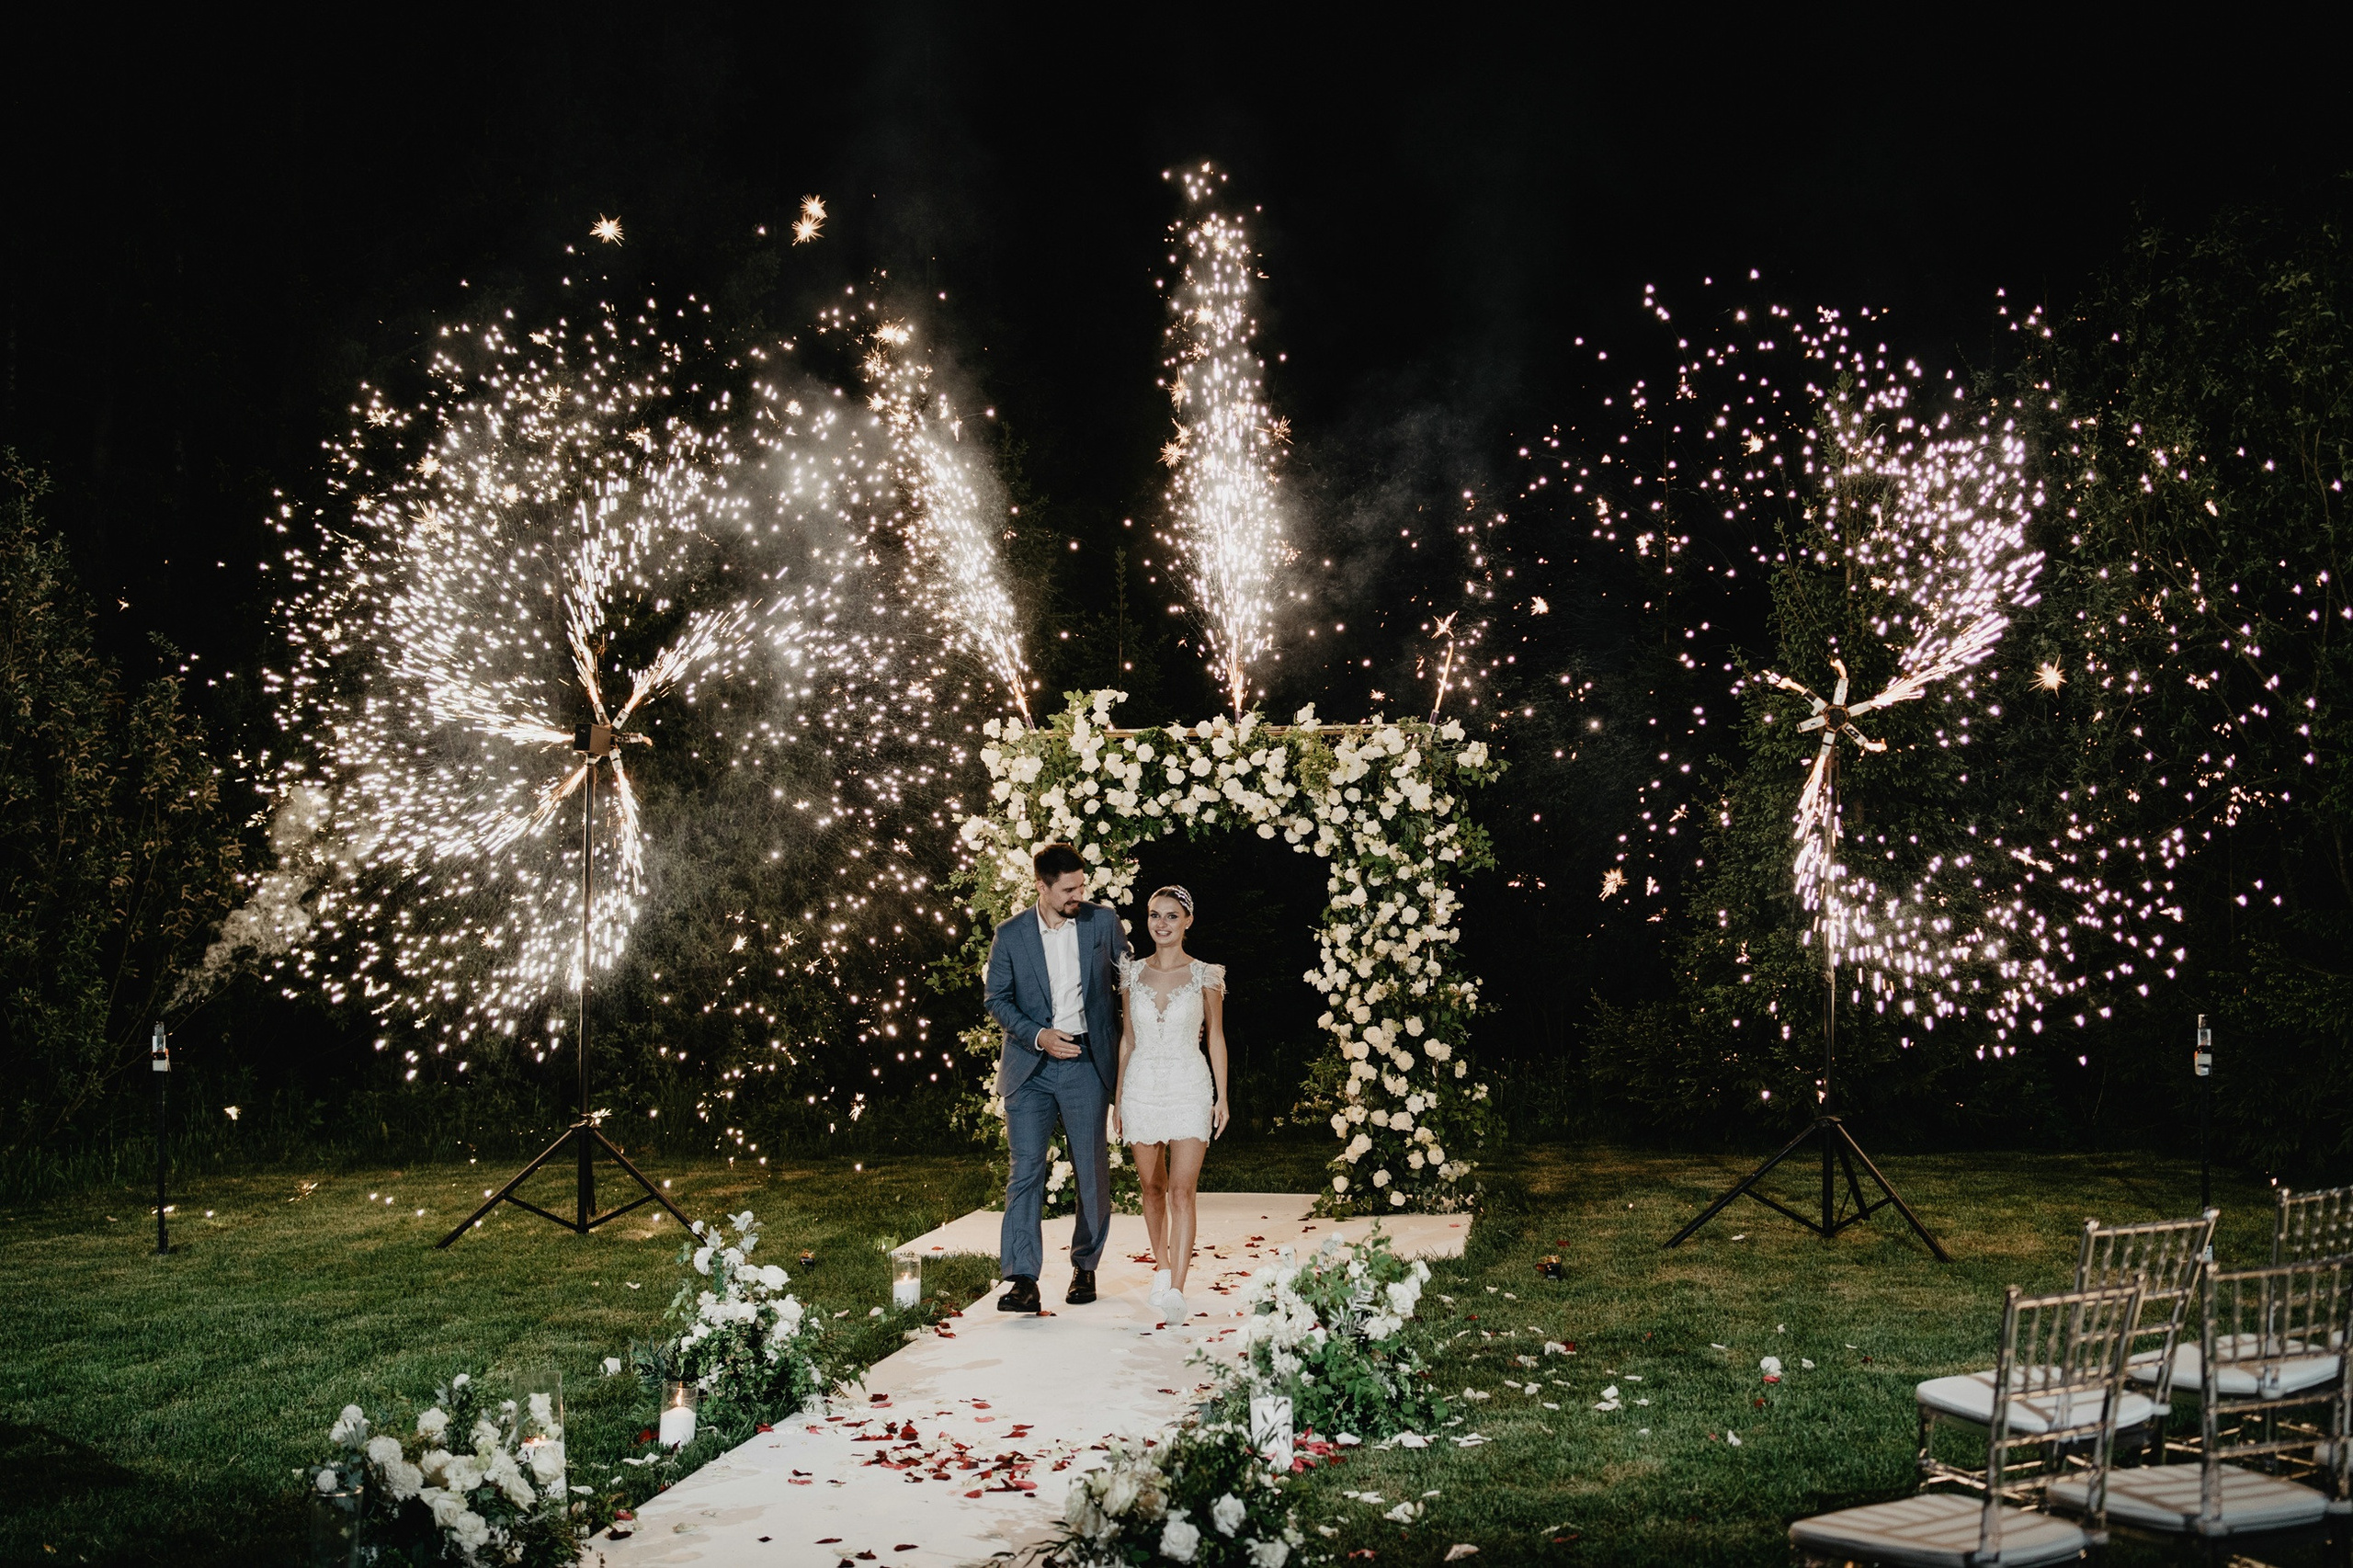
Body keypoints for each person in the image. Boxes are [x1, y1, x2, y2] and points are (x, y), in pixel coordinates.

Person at [984, 843, 1130, 1313]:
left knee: (1090, 1169)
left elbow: (1127, 983)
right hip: (1030, 1068)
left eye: (1082, 885)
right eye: (1068, 889)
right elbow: (997, 1000)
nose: (1078, 895)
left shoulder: (1102, 922)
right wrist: (1039, 1035)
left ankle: (1084, 1266)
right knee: (1025, 1171)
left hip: (1086, 1063)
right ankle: (1023, 1279)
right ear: (1041, 887)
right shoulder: (1009, 935)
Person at [1109, 884, 1229, 1323]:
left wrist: (1222, 1096)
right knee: (1152, 1187)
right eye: (1155, 915)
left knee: (1182, 1190)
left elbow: (1215, 1038)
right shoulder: (1131, 974)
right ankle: (1160, 1268)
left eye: (1172, 916)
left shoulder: (1206, 976)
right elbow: (1128, 1039)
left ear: (1188, 922)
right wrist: (1119, 1099)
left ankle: (1177, 1287)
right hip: (1141, 1087)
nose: (1162, 924)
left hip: (1189, 1087)